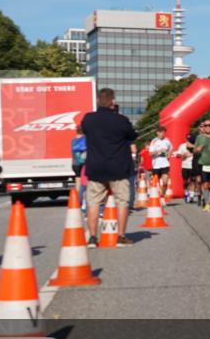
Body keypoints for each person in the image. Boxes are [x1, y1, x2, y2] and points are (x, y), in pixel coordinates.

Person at [81, 88, 137, 248]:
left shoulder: (88, 119)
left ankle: (92, 237)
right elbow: (132, 135)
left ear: (98, 101)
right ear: (113, 102)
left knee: (93, 203)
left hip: (96, 167)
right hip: (118, 168)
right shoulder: (121, 120)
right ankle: (121, 235)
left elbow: (84, 130)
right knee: (122, 202)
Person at [148, 127, 173, 198]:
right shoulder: (154, 141)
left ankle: (162, 196)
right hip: (156, 165)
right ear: (157, 133)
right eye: (160, 132)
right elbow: (150, 153)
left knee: (165, 182)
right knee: (155, 183)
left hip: (165, 164)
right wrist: (159, 151)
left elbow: (171, 149)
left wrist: (169, 154)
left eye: (163, 132)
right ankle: (153, 195)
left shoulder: (167, 141)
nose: (162, 134)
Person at [174, 135, 195, 203]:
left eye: (190, 139)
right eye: (188, 139)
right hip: (185, 166)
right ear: (186, 139)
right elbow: (177, 155)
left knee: (192, 181)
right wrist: (184, 155)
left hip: (193, 166)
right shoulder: (182, 146)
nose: (189, 140)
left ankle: (191, 196)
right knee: (185, 182)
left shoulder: (195, 146)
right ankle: (186, 194)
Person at [71, 125, 88, 208]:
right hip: (83, 164)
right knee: (84, 183)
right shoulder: (85, 140)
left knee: (78, 182)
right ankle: (84, 202)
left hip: (75, 164)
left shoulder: (73, 141)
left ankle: (77, 200)